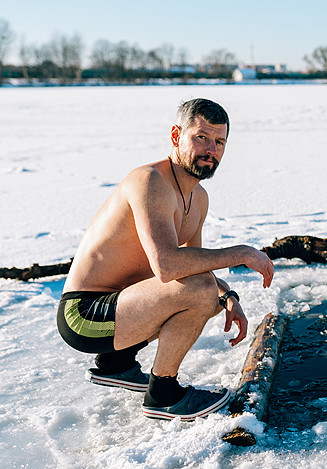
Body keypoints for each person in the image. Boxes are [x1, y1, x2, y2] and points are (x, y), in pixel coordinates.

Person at [56, 98, 274, 421]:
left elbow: (193, 265)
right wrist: (241, 253)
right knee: (202, 290)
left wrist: (228, 296)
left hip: (122, 306)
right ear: (176, 136)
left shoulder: (198, 198)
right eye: (201, 137)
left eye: (219, 142)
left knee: (209, 294)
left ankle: (117, 363)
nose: (210, 150)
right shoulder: (150, 182)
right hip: (83, 314)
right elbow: (168, 266)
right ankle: (163, 394)